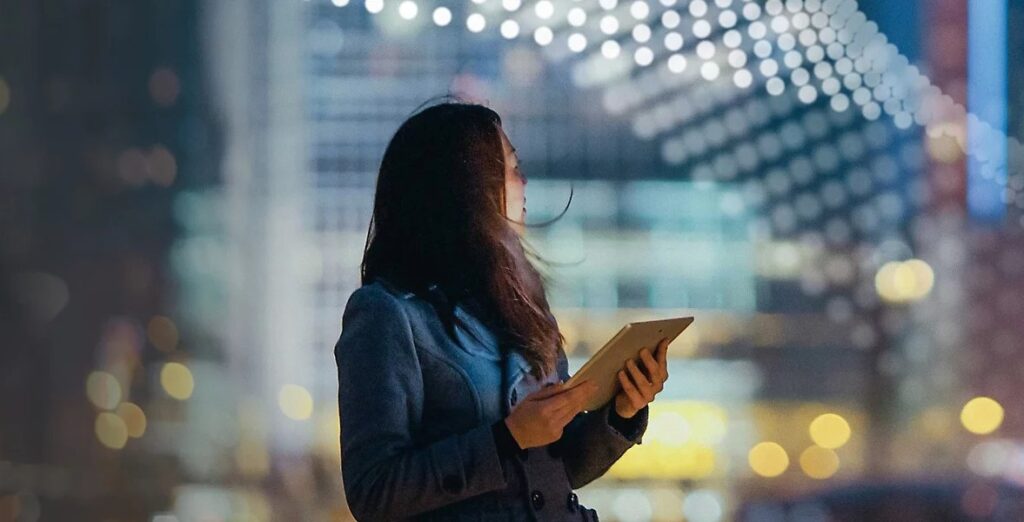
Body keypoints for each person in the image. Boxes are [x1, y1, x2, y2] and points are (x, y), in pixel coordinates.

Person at [334, 100, 672, 521]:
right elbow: (374, 491)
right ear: (464, 186)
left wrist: (622, 412)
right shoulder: (388, 313)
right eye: (510, 168)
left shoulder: (524, 304)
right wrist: (505, 439)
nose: (524, 181)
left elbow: (558, 471)